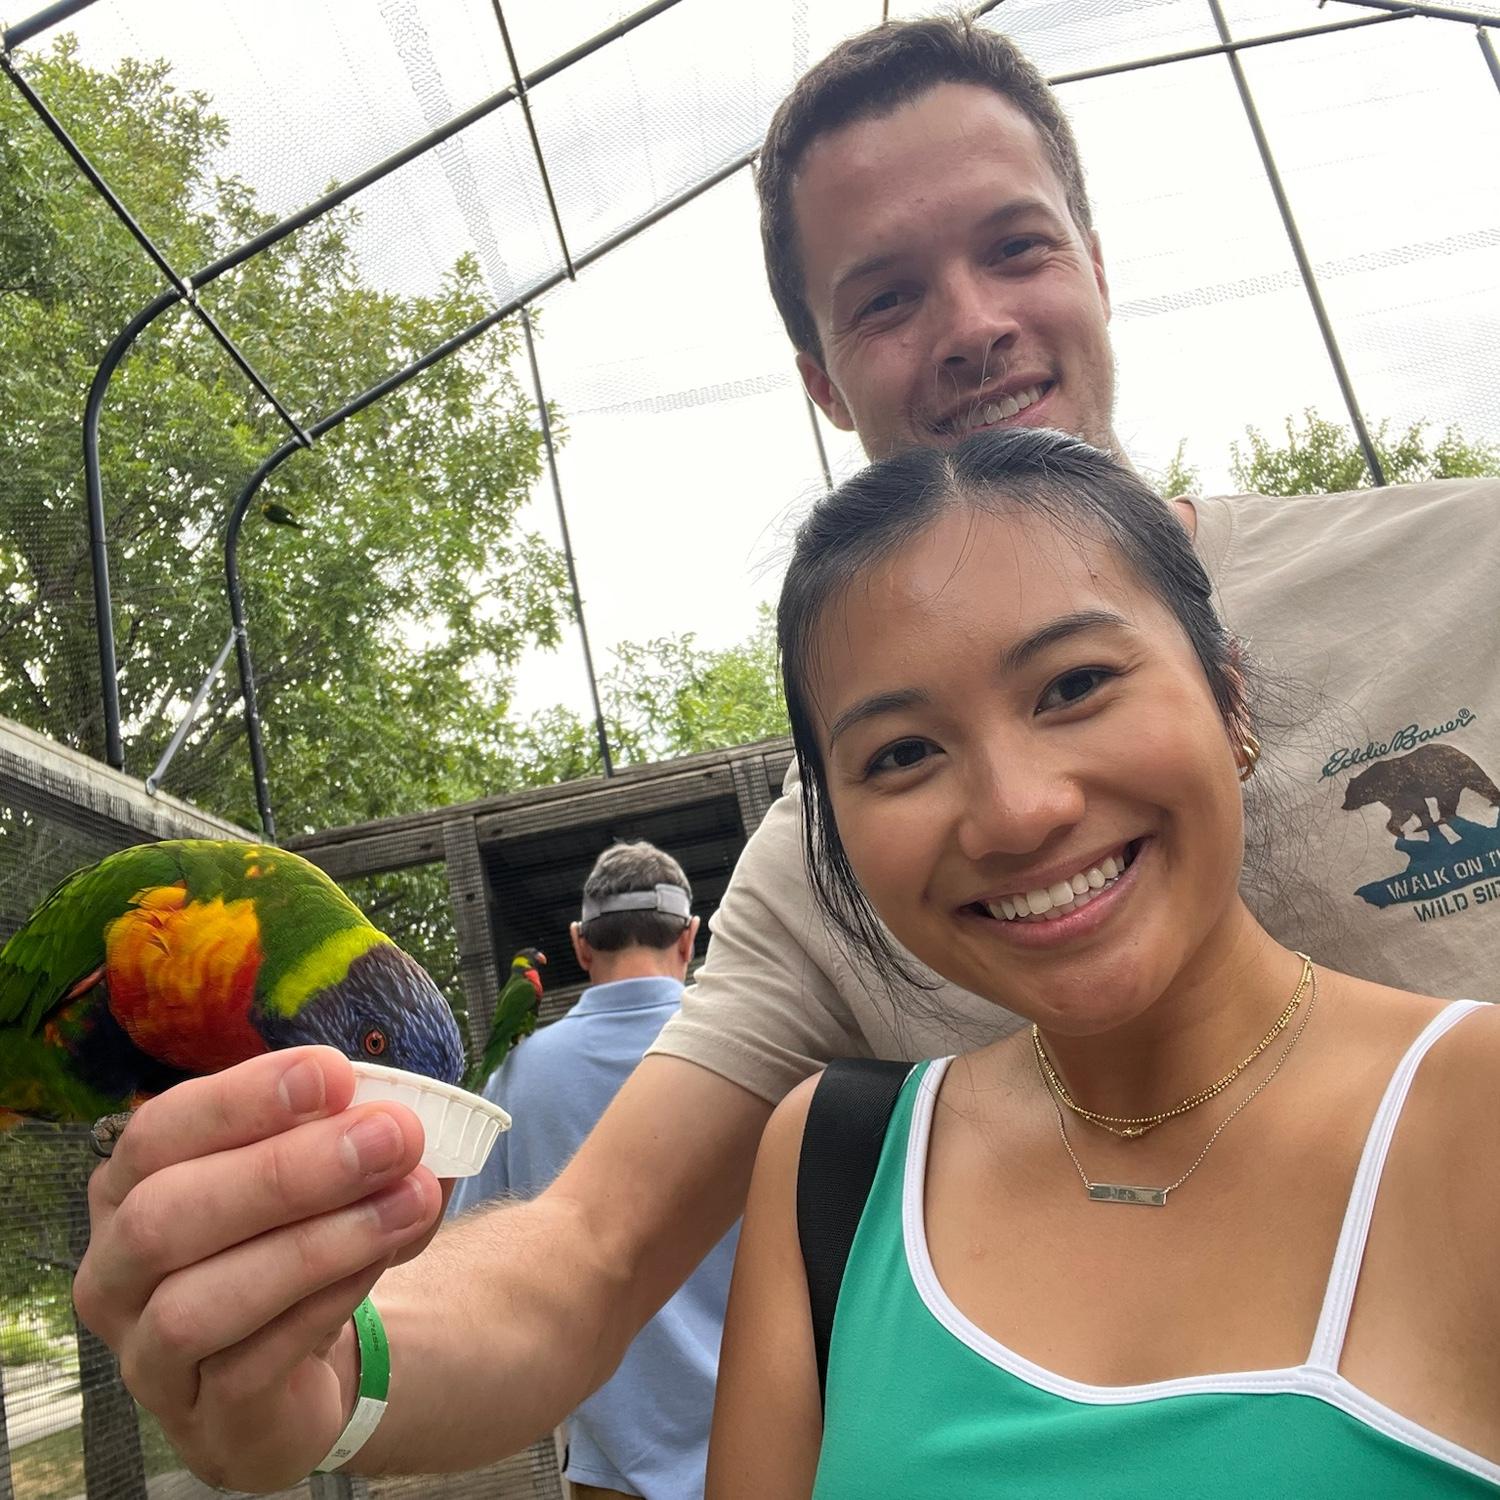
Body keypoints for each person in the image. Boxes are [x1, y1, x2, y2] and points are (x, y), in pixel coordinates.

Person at [71, 18, 1498, 1492]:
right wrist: (323, 1359)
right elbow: (586, 1246)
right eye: (886, 297)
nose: (970, 324)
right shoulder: (822, 891)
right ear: (821, 377)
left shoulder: (1470, 571)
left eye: (1015, 247)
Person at [706, 426, 1500, 1497]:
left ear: (1232, 703)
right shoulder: (831, 1171)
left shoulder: (1477, 1115)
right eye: (901, 754)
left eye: (1074, 685)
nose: (1018, 813)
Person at [448, 840, 736, 1500]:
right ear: (690, 939)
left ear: (580, 946)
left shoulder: (517, 1079)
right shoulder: (761, 1058)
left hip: (614, 1473)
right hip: (786, 1453)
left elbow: (466, 1266)